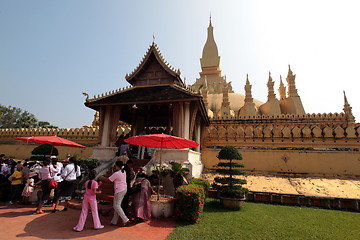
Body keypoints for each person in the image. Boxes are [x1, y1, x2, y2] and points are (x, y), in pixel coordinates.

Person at [99, 161, 130, 226]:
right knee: (116, 205)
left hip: (119, 190)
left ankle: (125, 219)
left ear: (117, 166)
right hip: (122, 189)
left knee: (117, 205)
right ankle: (114, 221)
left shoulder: (117, 173)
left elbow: (109, 180)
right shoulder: (123, 171)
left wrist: (101, 178)